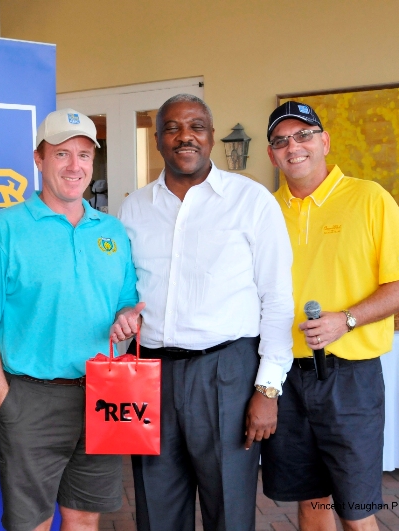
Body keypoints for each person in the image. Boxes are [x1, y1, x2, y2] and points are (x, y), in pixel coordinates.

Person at [117, 94, 295, 531]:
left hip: (227, 374)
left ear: (211, 137)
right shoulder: (134, 207)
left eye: (196, 126)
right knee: (156, 509)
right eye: (173, 128)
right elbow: (125, 290)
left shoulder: (251, 201)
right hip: (151, 373)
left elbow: (277, 297)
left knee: (229, 512)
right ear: (157, 139)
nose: (185, 136)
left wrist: (268, 389)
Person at [0, 108, 142, 531]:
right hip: (33, 399)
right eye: (62, 154)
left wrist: (127, 319)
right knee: (32, 524)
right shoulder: (3, 230)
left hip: (106, 393)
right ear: (39, 160)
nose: (75, 166)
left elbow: (128, 305)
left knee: (84, 519)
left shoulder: (112, 232)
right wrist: (7, 401)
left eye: (84, 154)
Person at [260, 101, 399, 531]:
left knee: (356, 508)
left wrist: (345, 320)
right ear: (271, 154)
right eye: (281, 141)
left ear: (325, 141)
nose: (293, 147)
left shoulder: (369, 197)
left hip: (349, 377)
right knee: (311, 501)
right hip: (283, 376)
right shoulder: (264, 210)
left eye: (303, 135)